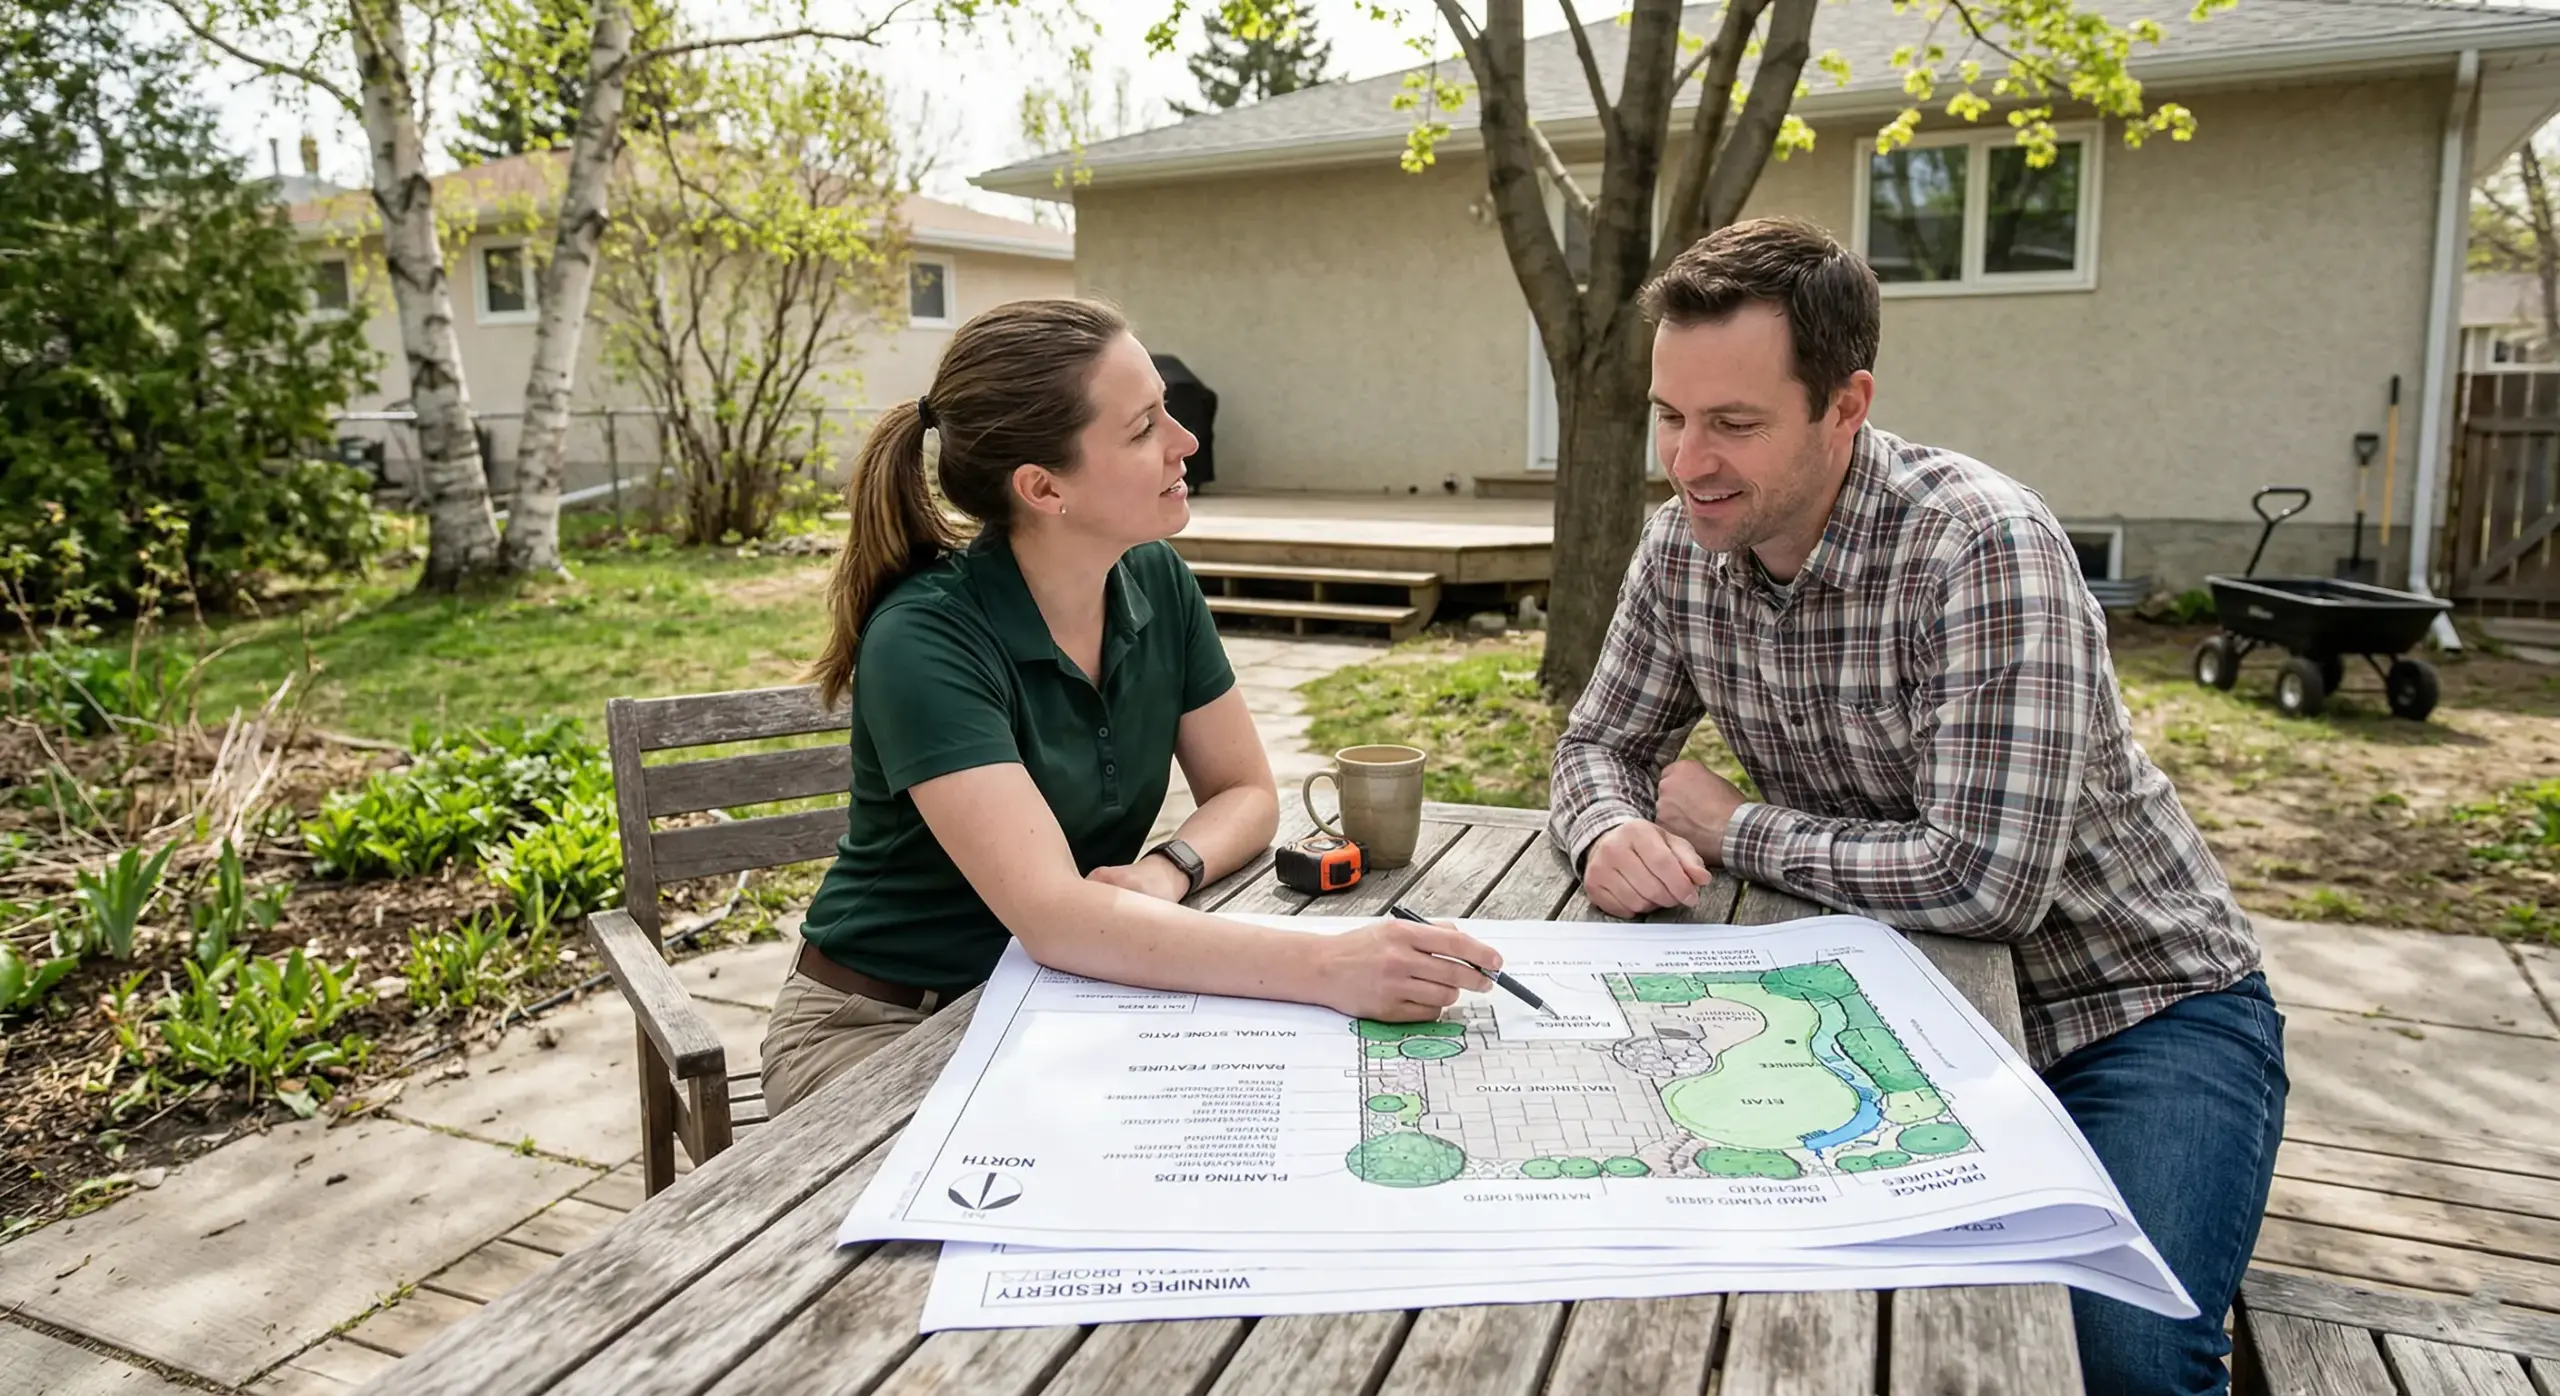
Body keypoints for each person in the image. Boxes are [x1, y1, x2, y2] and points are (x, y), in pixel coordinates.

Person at [1548, 219, 2282, 1396]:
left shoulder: (1982, 547)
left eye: (1733, 423)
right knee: (1719, 1304)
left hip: (2130, 1011)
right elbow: (1596, 744)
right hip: (1874, 1013)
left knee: (2122, 1358)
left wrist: (1734, 830)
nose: (1688, 461)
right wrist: (1607, 826)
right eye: (1670, 417)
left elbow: (1986, 882)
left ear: (1845, 405)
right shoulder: (1678, 547)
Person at [760, 298, 1502, 1117]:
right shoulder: (925, 641)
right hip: (886, 1025)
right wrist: (1328, 968)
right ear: (1043, 487)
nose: (1185, 442)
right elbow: (1055, 915)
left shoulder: (1154, 580)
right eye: (1144, 427)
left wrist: (1164, 870)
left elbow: (1246, 794)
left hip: (1061, 994)